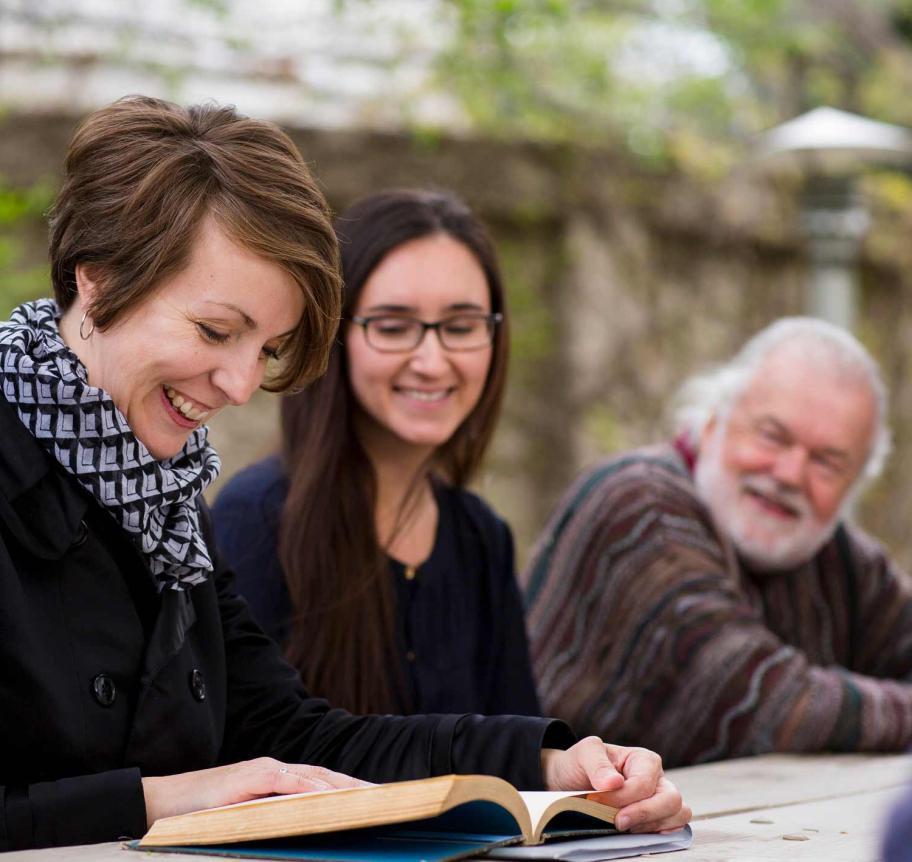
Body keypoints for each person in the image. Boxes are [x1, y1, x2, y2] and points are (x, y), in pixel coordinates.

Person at [0, 96, 689, 851]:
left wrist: (551, 763)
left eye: (266, 349)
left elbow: (300, 737)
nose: (238, 384)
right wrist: (164, 799)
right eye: (216, 331)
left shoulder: (165, 508)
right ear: (95, 282)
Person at [526, 317, 912, 768]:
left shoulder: (836, 556)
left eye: (827, 463)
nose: (789, 474)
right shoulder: (639, 506)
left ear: (852, 488)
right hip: (548, 829)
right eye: (772, 435)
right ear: (712, 423)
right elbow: (765, 702)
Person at [212, 189, 537, 717]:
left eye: (461, 327)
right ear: (335, 335)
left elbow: (524, 759)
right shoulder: (259, 518)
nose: (432, 361)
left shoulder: (481, 538)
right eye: (392, 327)